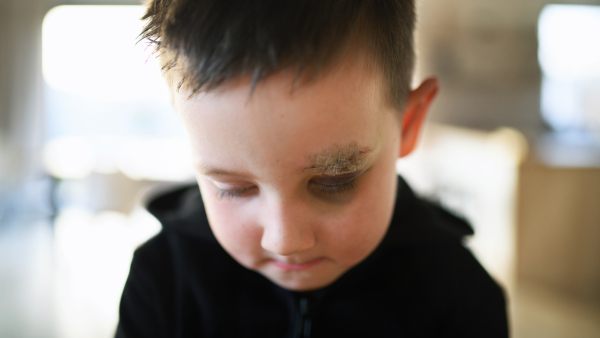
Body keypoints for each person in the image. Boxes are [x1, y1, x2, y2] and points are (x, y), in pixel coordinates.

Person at [116, 0, 508, 337]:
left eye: (334, 181)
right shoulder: (162, 281)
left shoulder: (461, 296)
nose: (284, 240)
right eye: (234, 187)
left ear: (406, 125)